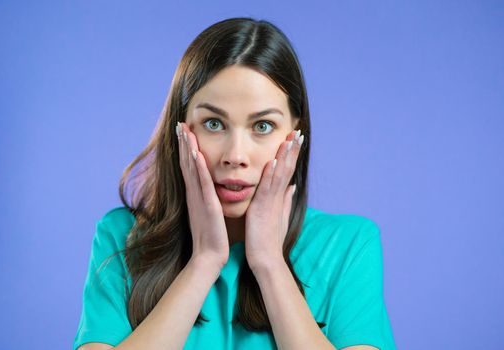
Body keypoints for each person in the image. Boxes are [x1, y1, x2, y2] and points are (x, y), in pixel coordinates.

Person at [73, 17, 397, 350]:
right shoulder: (122, 237)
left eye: (263, 126)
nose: (235, 155)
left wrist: (270, 263)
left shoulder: (348, 245)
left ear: (295, 134)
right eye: (213, 123)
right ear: (182, 128)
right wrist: (204, 261)